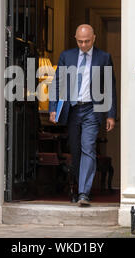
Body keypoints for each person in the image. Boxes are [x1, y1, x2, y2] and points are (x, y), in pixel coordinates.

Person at [49, 24, 117, 206]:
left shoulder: (104, 57)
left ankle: (83, 193)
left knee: (88, 147)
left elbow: (110, 87)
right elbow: (58, 82)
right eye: (80, 41)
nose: (84, 45)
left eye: (87, 41)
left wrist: (111, 115)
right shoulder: (67, 56)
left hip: (92, 110)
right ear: (75, 38)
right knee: (76, 150)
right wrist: (53, 108)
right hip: (72, 110)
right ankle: (75, 187)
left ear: (94, 38)